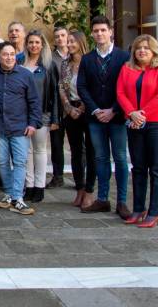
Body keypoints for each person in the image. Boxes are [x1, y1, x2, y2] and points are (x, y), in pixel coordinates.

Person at [77, 16, 131, 219]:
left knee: (120, 158)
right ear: (92, 33)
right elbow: (81, 86)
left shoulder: (124, 57)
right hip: (95, 118)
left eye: (103, 30)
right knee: (100, 158)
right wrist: (95, 110)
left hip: (117, 116)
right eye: (96, 31)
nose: (99, 34)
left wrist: (114, 110)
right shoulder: (88, 58)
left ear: (110, 32)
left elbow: (127, 87)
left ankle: (122, 201)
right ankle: (102, 199)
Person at [117, 35, 158, 228]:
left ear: (154, 51)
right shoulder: (127, 68)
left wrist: (141, 114)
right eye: (139, 48)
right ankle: (138, 209)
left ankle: (154, 211)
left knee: (156, 168)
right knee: (139, 168)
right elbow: (120, 93)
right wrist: (132, 113)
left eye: (146, 49)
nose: (142, 51)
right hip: (134, 123)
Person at [0, 42, 41, 215]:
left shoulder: (26, 75)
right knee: (2, 162)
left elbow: (34, 101)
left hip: (20, 127)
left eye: (12, 54)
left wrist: (33, 123)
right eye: (5, 54)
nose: (9, 57)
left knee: (20, 162)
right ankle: (8, 194)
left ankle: (18, 198)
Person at [20, 30, 59, 204]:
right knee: (26, 152)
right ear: (26, 44)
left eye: (37, 42)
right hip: (21, 114)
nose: (33, 45)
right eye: (31, 42)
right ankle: (28, 185)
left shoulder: (49, 65)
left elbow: (55, 93)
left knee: (40, 150)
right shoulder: (20, 62)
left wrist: (55, 119)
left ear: (42, 44)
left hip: (42, 114)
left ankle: (39, 186)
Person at [59, 31, 96, 208]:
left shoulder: (90, 61)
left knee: (91, 151)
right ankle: (79, 188)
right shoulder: (65, 63)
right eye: (69, 41)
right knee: (75, 151)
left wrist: (81, 108)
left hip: (87, 109)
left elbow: (93, 87)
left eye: (73, 41)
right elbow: (61, 86)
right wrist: (68, 107)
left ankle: (89, 189)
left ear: (81, 42)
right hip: (70, 110)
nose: (69, 44)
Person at [47, 26, 69, 189]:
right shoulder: (51, 59)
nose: (60, 38)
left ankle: (79, 177)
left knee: (79, 145)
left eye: (63, 35)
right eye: (57, 36)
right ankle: (58, 175)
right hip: (57, 107)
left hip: (75, 107)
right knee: (56, 143)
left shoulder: (77, 56)